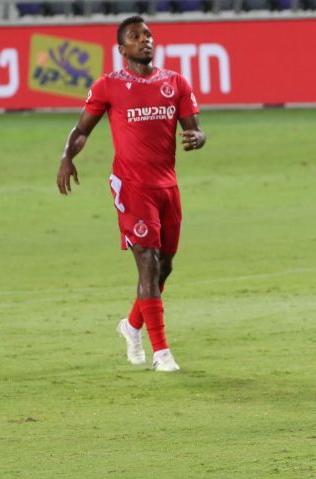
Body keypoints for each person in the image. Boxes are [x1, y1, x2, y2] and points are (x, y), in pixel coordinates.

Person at [56, 15, 206, 372]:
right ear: (122, 48)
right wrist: (66, 157)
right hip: (132, 186)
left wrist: (199, 138)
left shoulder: (175, 83)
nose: (144, 40)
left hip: (167, 186)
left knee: (164, 266)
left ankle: (131, 325)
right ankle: (162, 353)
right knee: (148, 262)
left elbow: (195, 129)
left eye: (148, 34)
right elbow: (82, 129)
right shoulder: (108, 86)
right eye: (136, 36)